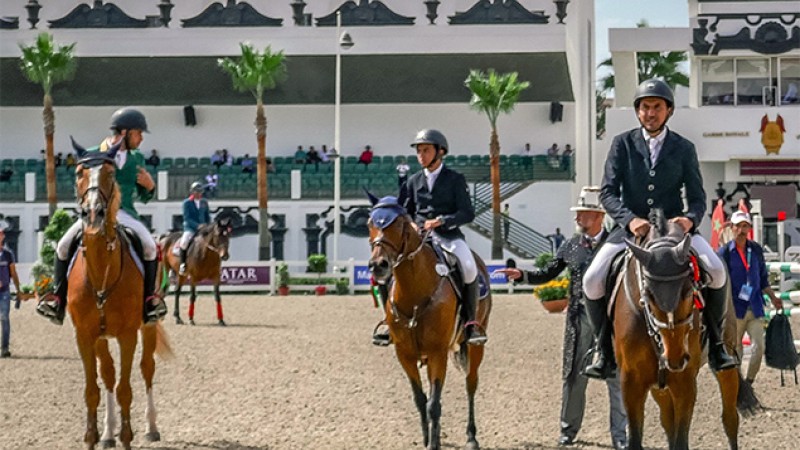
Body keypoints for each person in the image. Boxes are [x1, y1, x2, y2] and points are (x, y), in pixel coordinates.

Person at [582, 79, 736, 379]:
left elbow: (696, 196)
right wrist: (629, 219)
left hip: (674, 231)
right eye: (644, 107)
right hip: (631, 229)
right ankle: (603, 350)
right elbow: (608, 193)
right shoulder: (622, 144)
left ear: (668, 111)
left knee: (716, 271)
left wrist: (690, 219)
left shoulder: (683, 148)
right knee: (591, 279)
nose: (650, 113)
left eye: (656, 107)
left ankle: (717, 346)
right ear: (638, 112)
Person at [495, 187, 627, 450]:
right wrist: (524, 276)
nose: (577, 218)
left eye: (582, 213)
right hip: (579, 320)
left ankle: (621, 436)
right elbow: (549, 271)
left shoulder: (616, 243)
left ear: (598, 215)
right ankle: (568, 430)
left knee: (617, 377)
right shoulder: (571, 245)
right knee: (573, 376)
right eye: (577, 213)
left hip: (611, 321)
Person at [36, 107, 167, 326]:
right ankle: (58, 301)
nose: (142, 138)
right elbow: (82, 183)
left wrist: (150, 186)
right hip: (96, 213)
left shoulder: (137, 158)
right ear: (124, 132)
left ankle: (149, 301)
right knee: (62, 245)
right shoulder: (93, 153)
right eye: (138, 132)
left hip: (125, 213)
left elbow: (144, 196)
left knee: (150, 247)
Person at [390, 128, 485, 345]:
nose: (421, 155)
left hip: (449, 236)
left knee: (469, 267)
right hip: (420, 239)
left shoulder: (455, 179)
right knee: (392, 265)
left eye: (425, 150)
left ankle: (470, 324)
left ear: (440, 152)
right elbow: (406, 210)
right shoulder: (413, 181)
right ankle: (390, 322)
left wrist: (442, 220)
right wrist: (412, 223)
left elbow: (466, 213)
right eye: (419, 151)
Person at [718, 211, 783, 384]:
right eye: (738, 226)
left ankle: (749, 381)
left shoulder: (755, 250)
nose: (741, 229)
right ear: (731, 228)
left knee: (759, 347)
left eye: (745, 225)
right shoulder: (724, 252)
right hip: (734, 309)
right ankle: (738, 385)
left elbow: (762, 278)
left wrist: (774, 297)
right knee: (736, 349)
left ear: (749, 228)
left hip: (755, 306)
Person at [0, 226, 32, 358]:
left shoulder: (8, 254)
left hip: (5, 292)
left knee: (4, 318)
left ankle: (4, 347)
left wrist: (19, 290)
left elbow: (13, 272)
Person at [177, 182, 211, 275]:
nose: (199, 193)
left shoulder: (204, 202)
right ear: (192, 192)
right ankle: (182, 264)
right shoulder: (187, 203)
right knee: (184, 243)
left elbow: (207, 216)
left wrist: (208, 225)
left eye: (200, 191)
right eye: (197, 191)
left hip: (203, 228)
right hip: (190, 228)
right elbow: (187, 218)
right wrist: (197, 226)